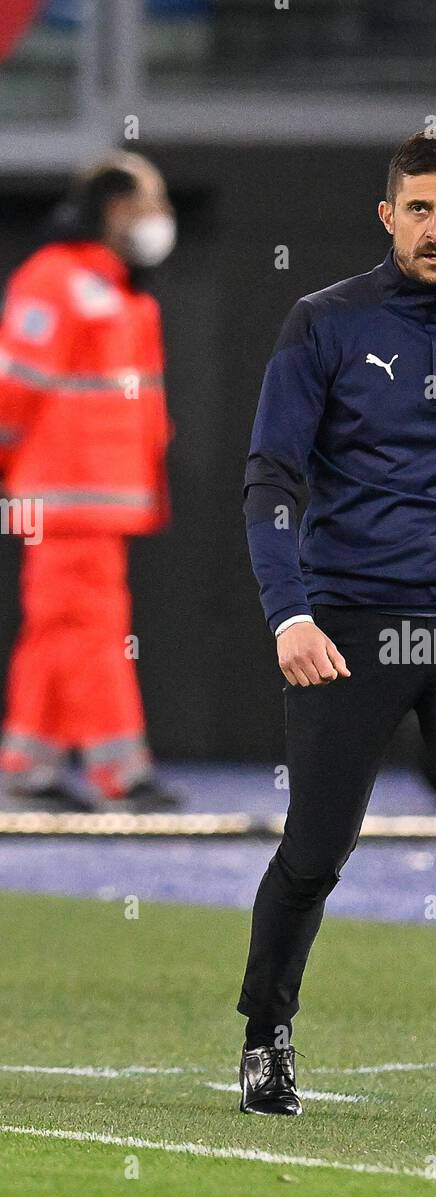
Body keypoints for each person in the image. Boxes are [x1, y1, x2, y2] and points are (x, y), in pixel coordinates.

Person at [237, 128, 436, 1127]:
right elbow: (270, 483)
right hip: (348, 624)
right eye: (416, 208)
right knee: (317, 847)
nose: (434, 227)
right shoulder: (321, 323)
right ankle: (263, 1035)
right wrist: (287, 611)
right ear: (387, 216)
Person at [0, 152, 177, 808]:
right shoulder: (55, 282)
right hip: (65, 500)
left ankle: (27, 769)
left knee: (58, 629)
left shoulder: (119, 292)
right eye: (151, 201)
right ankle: (119, 774)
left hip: (96, 501)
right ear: (114, 209)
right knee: (92, 632)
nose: (161, 217)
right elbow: (11, 392)